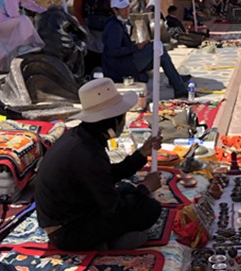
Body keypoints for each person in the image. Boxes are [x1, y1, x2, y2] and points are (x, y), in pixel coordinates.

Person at [36, 77, 164, 251]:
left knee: (127, 190)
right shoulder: (87, 152)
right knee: (149, 209)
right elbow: (115, 209)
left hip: (74, 212)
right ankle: (107, 242)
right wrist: (145, 188)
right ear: (112, 120)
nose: (124, 121)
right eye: (122, 117)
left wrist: (141, 154)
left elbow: (106, 175)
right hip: (67, 232)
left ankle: (108, 237)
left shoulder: (82, 137)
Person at [102, 0, 188, 98]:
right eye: (123, 9)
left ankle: (176, 82)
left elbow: (123, 44)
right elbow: (114, 51)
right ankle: (178, 85)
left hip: (126, 61)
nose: (126, 11)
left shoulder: (120, 23)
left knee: (160, 53)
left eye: (127, 8)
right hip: (120, 67)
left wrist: (139, 45)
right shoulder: (114, 26)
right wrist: (135, 48)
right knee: (157, 49)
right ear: (115, 10)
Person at [74, 0, 113, 75]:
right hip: (88, 28)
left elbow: (113, 8)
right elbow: (77, 11)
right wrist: (83, 26)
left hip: (103, 28)